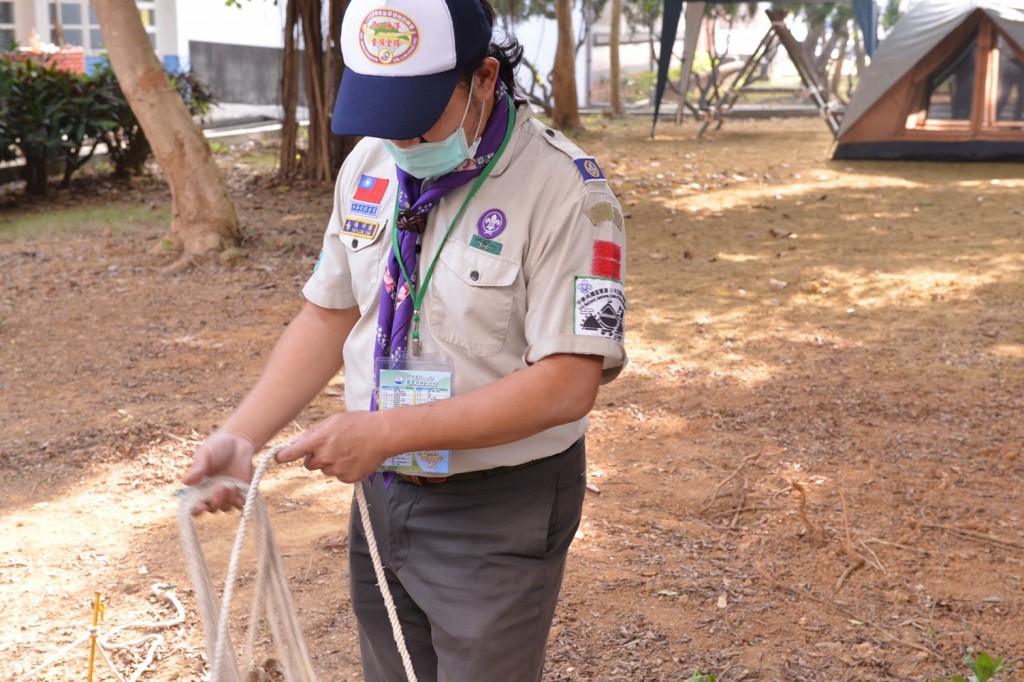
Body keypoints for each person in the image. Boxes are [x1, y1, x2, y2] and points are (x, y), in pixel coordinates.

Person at [182, 0, 627, 679]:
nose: (403, 142)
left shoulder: (568, 192)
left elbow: (569, 382)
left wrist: (387, 432)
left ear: (482, 79)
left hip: (499, 501)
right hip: (383, 492)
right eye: (383, 116)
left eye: (418, 116)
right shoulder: (371, 165)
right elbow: (329, 316)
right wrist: (242, 435)